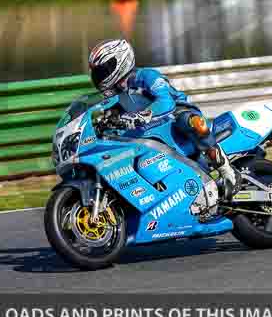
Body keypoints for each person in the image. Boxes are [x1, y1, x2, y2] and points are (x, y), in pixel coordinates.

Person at [88, 39, 240, 209]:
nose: (100, 77)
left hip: (175, 115)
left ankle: (227, 173)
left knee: (192, 122)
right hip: (150, 132)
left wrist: (142, 115)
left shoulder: (146, 76)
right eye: (97, 73)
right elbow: (111, 114)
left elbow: (166, 102)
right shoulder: (116, 94)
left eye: (103, 71)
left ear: (120, 62)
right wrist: (100, 123)